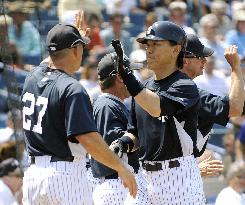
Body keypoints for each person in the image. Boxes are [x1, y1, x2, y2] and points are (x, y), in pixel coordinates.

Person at [21, 12, 137, 204]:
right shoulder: (72, 88)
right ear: (75, 50)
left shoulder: (32, 77)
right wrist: (120, 167)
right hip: (65, 176)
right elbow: (88, 139)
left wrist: (71, 38)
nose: (84, 51)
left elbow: (51, 59)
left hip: (33, 176)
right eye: (81, 46)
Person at [112, 21, 205, 204]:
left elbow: (157, 108)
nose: (149, 49)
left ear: (176, 49)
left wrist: (128, 76)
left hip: (178, 178)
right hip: (145, 175)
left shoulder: (184, 85)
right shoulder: (144, 88)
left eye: (156, 44)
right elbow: (136, 133)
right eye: (147, 44)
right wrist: (122, 144)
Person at [182, 34, 244, 157]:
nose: (205, 60)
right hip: (172, 169)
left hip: (178, 164)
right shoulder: (185, 92)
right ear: (185, 61)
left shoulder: (156, 85)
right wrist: (236, 67)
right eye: (200, 57)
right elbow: (235, 108)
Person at [90, 53, 139, 205]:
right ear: (119, 77)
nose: (133, 78)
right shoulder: (107, 105)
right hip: (117, 185)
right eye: (129, 73)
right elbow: (115, 149)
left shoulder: (112, 104)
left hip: (119, 183)